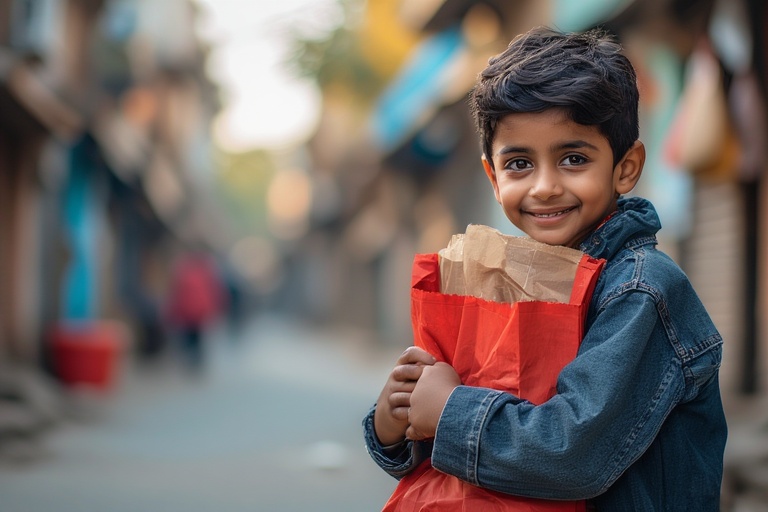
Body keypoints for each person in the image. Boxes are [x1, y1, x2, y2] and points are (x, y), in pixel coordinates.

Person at [363, 26, 727, 510]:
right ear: (492, 176)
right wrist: (398, 422)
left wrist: (448, 410)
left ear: (626, 166)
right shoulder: (513, 281)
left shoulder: (640, 289)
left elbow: (572, 453)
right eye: (519, 164)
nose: (544, 187)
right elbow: (482, 437)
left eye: (573, 158)